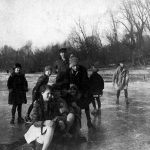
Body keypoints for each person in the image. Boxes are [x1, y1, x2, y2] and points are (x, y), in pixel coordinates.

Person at [68, 56, 93, 128]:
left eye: (76, 65)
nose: (75, 67)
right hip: (75, 91)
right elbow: (69, 81)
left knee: (86, 105)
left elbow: (85, 81)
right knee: (76, 107)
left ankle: (89, 121)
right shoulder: (69, 71)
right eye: (74, 66)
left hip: (84, 90)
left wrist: (82, 92)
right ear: (71, 66)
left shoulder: (83, 69)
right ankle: (78, 125)